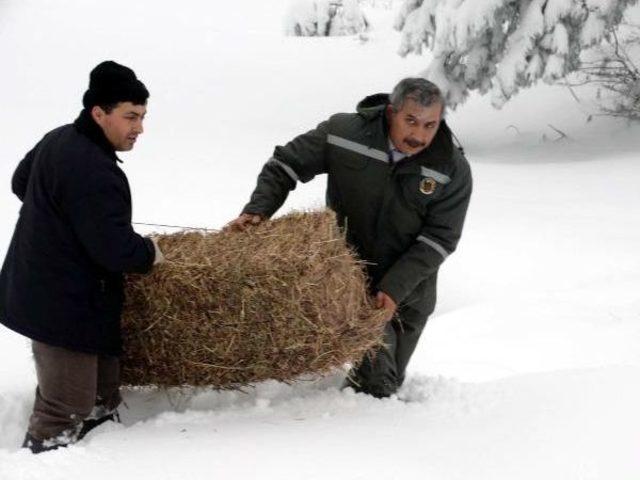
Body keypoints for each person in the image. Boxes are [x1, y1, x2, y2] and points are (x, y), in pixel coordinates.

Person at [228, 78, 472, 398]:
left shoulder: (451, 168)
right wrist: (258, 211)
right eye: (410, 121)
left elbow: (440, 238)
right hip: (345, 276)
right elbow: (285, 164)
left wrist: (394, 287)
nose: (419, 135)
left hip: (408, 289)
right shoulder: (344, 133)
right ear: (391, 112)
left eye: (430, 125)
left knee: (386, 382)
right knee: (374, 383)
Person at [0, 60, 164, 453]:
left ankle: (98, 447)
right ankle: (39, 460)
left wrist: (60, 221)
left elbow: (21, 182)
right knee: (66, 405)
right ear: (99, 113)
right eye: (130, 117)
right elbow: (115, 249)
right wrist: (150, 253)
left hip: (65, 290)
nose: (139, 128)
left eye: (142, 116)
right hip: (60, 302)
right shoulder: (94, 169)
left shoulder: (59, 138)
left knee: (102, 393)